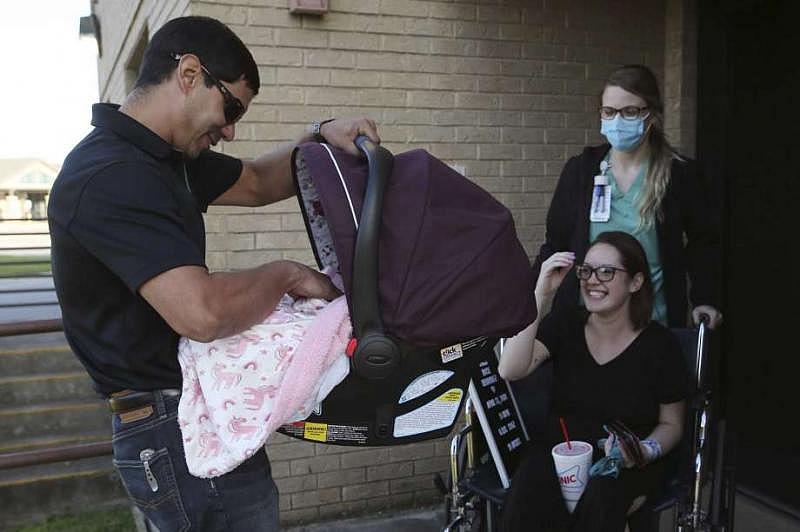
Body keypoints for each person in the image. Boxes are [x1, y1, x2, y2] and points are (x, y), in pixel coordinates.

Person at [48, 16, 379, 531]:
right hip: (169, 426)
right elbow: (202, 313)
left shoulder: (162, 159)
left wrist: (319, 137)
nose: (229, 131)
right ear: (188, 73)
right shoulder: (112, 175)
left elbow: (255, 181)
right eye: (230, 108)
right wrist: (288, 274)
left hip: (192, 413)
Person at [498, 231, 687, 532]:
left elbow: (672, 424)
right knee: (528, 484)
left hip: (623, 462)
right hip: (561, 451)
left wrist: (644, 450)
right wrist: (540, 295)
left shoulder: (660, 346)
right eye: (586, 270)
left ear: (636, 282)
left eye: (607, 272)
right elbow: (510, 369)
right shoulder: (566, 323)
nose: (592, 280)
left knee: (602, 495)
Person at [532, 64, 722, 330]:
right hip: (583, 322)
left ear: (652, 115)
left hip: (652, 322)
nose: (618, 120)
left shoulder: (678, 175)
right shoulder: (583, 170)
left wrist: (705, 298)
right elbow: (555, 242)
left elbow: (704, 241)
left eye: (630, 111)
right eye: (609, 112)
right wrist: (527, 300)